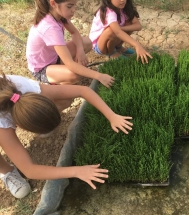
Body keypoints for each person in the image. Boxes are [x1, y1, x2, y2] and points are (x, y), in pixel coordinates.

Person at [0, 72, 133, 198]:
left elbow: (83, 90)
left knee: (65, 100)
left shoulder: (22, 87)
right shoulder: (3, 125)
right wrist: (76, 171)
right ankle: (7, 172)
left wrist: (112, 115)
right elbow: (29, 170)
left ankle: (43, 124)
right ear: (19, 126)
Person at [26, 0, 114, 86]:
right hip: (42, 69)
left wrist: (80, 51)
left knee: (86, 42)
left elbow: (74, 33)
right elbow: (70, 64)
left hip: (54, 56)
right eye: (69, 6)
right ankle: (56, 83)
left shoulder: (58, 15)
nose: (74, 10)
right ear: (53, 3)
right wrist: (99, 76)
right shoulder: (49, 27)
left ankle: (62, 74)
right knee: (75, 75)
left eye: (75, 5)